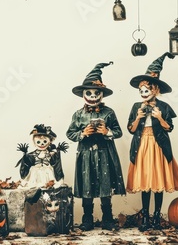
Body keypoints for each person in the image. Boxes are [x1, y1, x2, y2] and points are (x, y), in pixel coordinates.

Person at [126, 52, 178, 231]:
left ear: (155, 91)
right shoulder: (137, 107)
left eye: (147, 91)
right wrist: (137, 118)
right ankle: (145, 217)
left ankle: (157, 218)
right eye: (141, 91)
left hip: (158, 145)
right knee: (145, 183)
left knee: (158, 182)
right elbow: (131, 129)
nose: (144, 94)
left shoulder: (164, 107)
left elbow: (169, 128)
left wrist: (160, 118)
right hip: (142, 144)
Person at [66, 62, 126, 231]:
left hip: (105, 154)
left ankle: (107, 217)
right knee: (87, 185)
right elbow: (70, 133)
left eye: (96, 92)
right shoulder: (78, 115)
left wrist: (107, 131)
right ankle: (87, 218)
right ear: (84, 94)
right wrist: (83, 133)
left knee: (105, 185)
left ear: (102, 94)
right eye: (89, 93)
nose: (93, 96)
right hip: (85, 155)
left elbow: (118, 131)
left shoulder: (109, 113)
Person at [16, 124, 68, 189]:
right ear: (34, 143)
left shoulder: (51, 154)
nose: (42, 144)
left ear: (49, 142)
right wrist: (25, 154)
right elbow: (26, 163)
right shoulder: (32, 154)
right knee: (34, 187)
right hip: (35, 175)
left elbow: (56, 163)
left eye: (45, 141)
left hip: (48, 173)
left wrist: (58, 151)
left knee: (48, 188)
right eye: (38, 142)